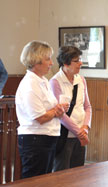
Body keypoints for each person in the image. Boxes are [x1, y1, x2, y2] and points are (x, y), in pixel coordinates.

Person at [16, 41, 68, 178]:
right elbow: (39, 117)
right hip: (35, 140)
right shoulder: (30, 84)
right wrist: (56, 111)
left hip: (46, 138)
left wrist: (58, 109)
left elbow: (50, 109)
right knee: (34, 181)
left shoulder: (43, 80)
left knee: (44, 180)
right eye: (47, 59)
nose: (51, 63)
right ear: (36, 61)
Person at [50, 46, 92, 171]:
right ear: (66, 63)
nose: (81, 63)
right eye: (77, 60)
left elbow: (88, 106)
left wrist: (85, 127)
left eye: (80, 59)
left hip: (81, 134)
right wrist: (79, 132)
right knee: (61, 174)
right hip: (64, 135)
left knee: (78, 173)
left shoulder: (81, 80)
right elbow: (60, 114)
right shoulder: (55, 82)